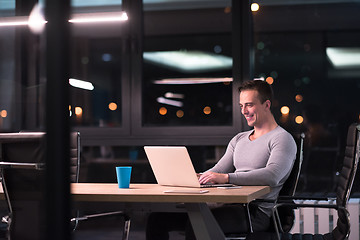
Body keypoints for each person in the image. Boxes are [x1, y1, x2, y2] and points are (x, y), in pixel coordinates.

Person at [146, 80, 297, 239]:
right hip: (226, 205)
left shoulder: (282, 139)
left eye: (249, 105)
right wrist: (198, 177)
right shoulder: (239, 139)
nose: (244, 111)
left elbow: (272, 176)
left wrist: (226, 178)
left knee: (199, 225)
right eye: (241, 106)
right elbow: (218, 170)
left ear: (266, 105)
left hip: (254, 213)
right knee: (157, 220)